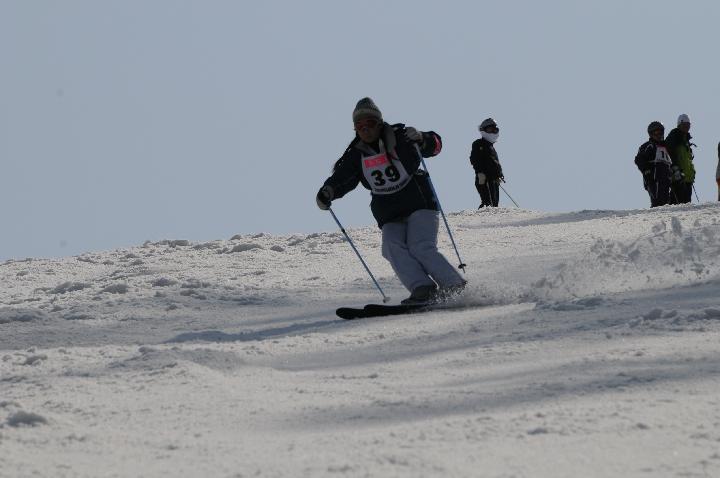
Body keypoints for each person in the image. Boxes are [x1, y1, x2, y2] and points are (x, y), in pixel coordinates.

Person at [315, 97, 466, 305]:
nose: (365, 129)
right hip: (390, 212)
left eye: (370, 123)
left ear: (379, 123)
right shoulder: (356, 154)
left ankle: (454, 285)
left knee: (420, 246)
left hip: (419, 203)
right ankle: (423, 288)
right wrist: (328, 191)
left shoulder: (400, 137)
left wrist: (422, 138)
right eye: (359, 126)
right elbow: (343, 177)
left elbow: (435, 146)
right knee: (391, 246)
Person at [635, 121, 672, 208]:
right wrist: (646, 170)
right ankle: (655, 214)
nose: (659, 135)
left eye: (661, 132)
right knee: (657, 200)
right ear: (651, 134)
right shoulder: (649, 146)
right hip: (654, 178)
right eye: (656, 133)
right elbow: (639, 159)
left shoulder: (665, 147)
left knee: (666, 201)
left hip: (666, 178)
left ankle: (664, 215)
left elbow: (669, 162)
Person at [470, 118, 504, 208]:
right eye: (489, 129)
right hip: (484, 177)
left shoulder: (491, 148)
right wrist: (479, 172)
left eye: (494, 129)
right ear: (483, 130)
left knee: (494, 203)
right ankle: (484, 212)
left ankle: (492, 214)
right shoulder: (478, 143)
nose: (492, 132)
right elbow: (474, 158)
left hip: (494, 179)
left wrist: (500, 174)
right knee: (487, 201)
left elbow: (495, 163)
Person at [665, 114, 696, 204]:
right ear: (679, 125)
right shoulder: (674, 135)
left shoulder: (685, 140)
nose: (687, 127)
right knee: (677, 202)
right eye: (684, 125)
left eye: (688, 125)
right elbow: (669, 151)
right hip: (678, 176)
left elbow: (688, 160)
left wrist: (692, 173)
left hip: (688, 178)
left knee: (686, 204)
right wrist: (674, 167)